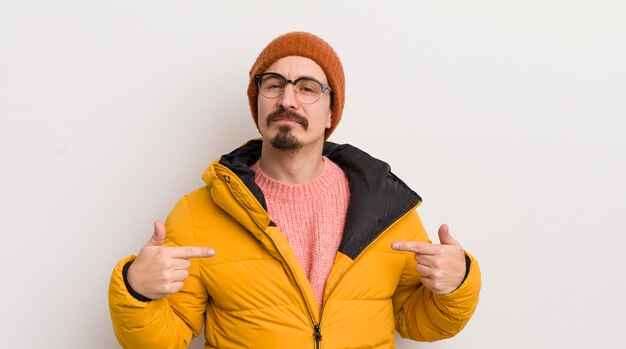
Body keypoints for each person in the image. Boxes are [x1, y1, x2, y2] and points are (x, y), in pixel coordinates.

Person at [108, 31, 481, 348]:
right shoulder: (198, 213)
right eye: (274, 85)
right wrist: (137, 290)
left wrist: (456, 283)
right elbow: (165, 338)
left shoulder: (386, 209)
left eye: (307, 88)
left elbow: (419, 322)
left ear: (332, 112)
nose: (287, 99)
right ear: (257, 103)